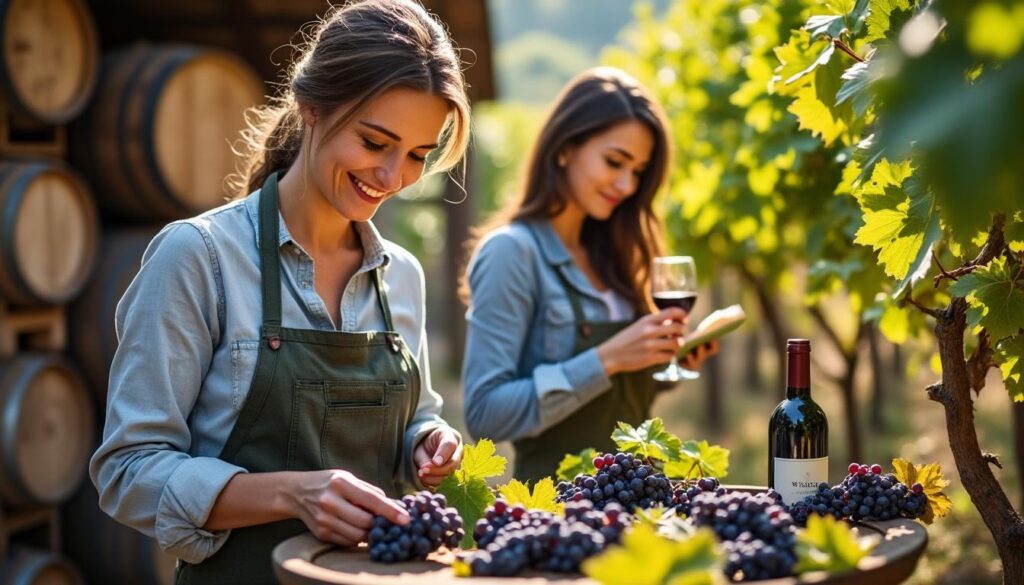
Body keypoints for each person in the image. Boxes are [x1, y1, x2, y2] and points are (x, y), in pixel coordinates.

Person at [90, 1, 470, 583]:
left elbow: (415, 416)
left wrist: (427, 441)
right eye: (374, 143)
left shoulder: (403, 276)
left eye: (418, 155)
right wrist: (293, 494)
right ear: (311, 108)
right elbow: (128, 471)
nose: (393, 178)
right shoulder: (199, 256)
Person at [460, 67, 718, 483]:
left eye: (637, 171)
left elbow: (614, 404)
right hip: (560, 515)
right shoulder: (512, 253)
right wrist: (609, 358)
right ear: (564, 148)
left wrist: (665, 360)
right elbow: (485, 415)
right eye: (615, 161)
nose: (626, 184)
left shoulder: (614, 252)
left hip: (638, 499)